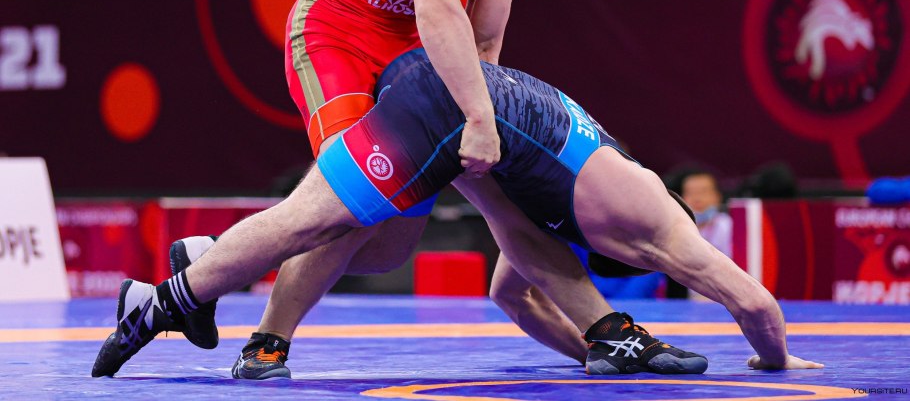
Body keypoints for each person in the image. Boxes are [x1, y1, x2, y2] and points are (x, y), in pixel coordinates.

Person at [92, 49, 823, 378]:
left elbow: (513, 295)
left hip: (460, 118)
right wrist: (776, 360)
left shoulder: (559, 213)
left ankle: (207, 261)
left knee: (379, 248)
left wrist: (591, 355)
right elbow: (755, 302)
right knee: (316, 220)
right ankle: (164, 301)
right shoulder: (655, 222)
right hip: (444, 104)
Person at [210, 0, 587, 379]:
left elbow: (484, 46)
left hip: (410, 57)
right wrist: (476, 118)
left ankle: (214, 257)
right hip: (335, 39)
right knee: (351, 200)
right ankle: (266, 342)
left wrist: (478, 111)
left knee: (389, 248)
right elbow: (437, 7)